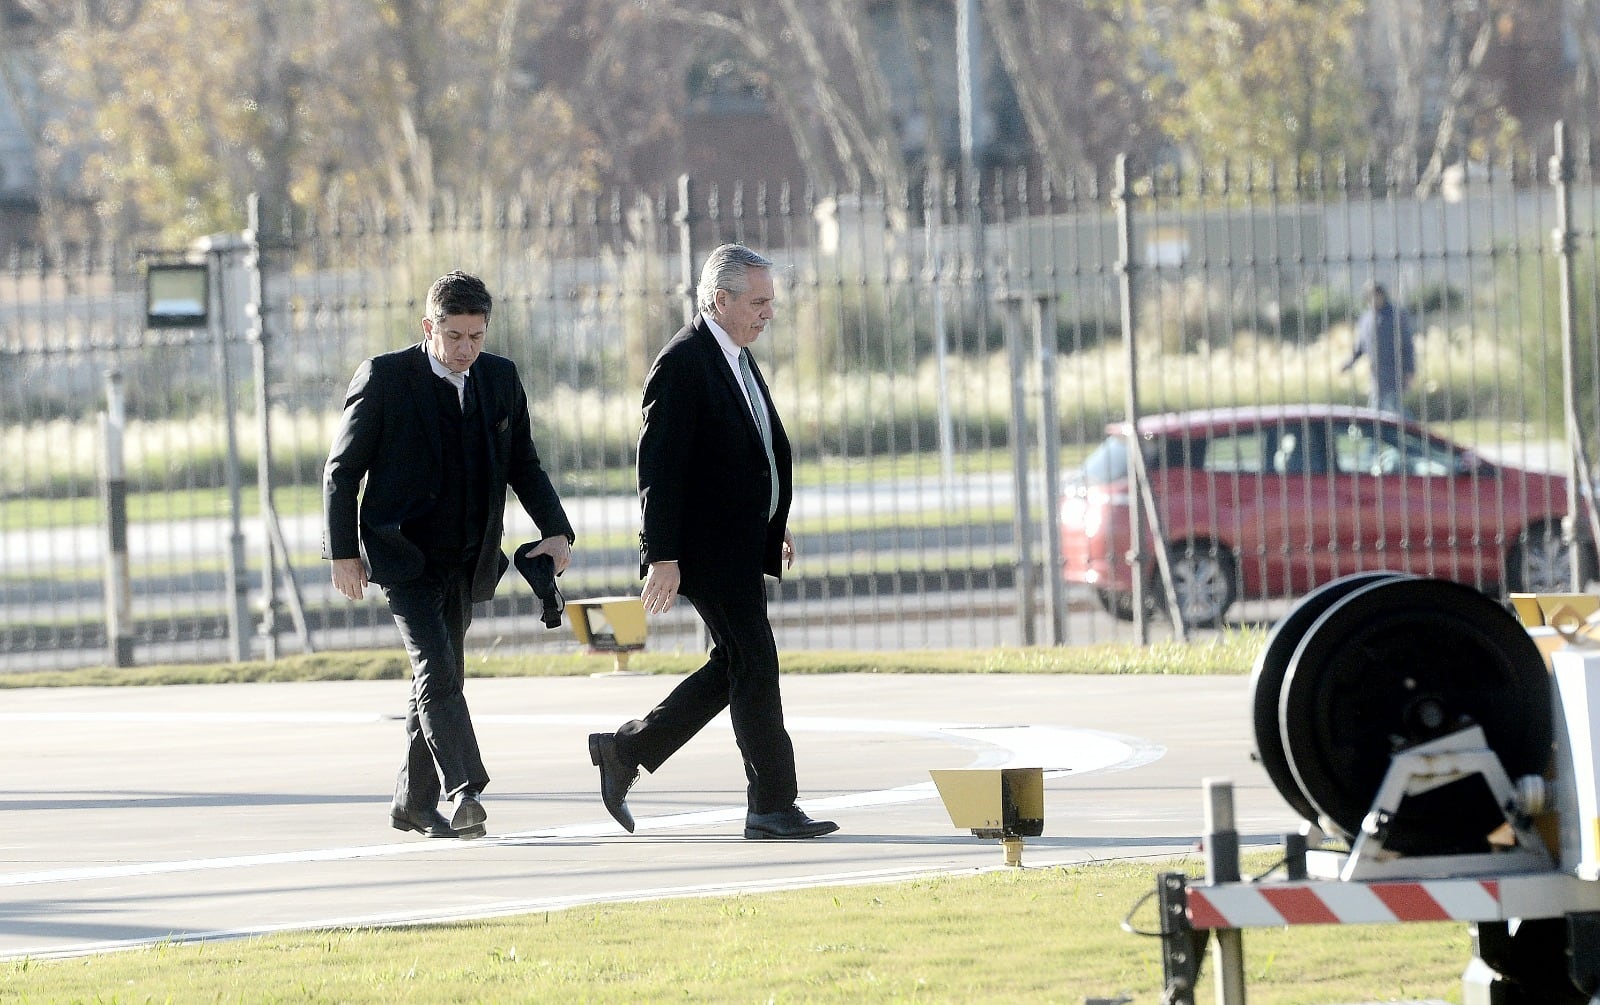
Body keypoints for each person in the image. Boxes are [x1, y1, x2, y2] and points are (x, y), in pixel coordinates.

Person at [587, 244, 837, 841]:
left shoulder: (735, 356)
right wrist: (662, 555)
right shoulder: (683, 362)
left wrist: (772, 524)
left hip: (738, 542)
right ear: (719, 300)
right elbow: (660, 469)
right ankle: (772, 803)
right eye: (758, 301)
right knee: (756, 664)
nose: (768, 312)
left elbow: (751, 454)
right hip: (703, 549)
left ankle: (627, 750)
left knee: (735, 665)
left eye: (771, 301)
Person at [323, 270, 574, 840]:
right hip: (401, 555)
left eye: (476, 337)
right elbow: (341, 472)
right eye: (454, 336)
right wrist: (342, 553)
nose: (465, 349)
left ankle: (412, 803)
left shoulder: (501, 379)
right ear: (428, 328)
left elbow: (524, 465)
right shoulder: (384, 377)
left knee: (437, 676)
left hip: (467, 556)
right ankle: (465, 789)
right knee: (436, 668)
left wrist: (557, 530)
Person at [1342, 282, 1416, 417]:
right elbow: (1361, 346)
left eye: (1376, 296)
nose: (1373, 300)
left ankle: (1412, 433)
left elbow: (1407, 345)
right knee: (1376, 413)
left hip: (1394, 374)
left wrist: (1410, 370)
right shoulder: (1366, 319)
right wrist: (1349, 363)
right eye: (1370, 297)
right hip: (1376, 376)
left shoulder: (1396, 315)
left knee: (1394, 410)